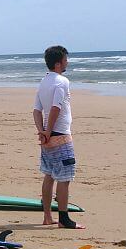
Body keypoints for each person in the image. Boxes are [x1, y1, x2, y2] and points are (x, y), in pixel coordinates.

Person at [33, 45, 83, 229]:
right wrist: (48, 131)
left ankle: (47, 216)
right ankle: (64, 219)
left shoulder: (44, 82)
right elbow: (56, 107)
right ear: (58, 63)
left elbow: (37, 110)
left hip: (47, 136)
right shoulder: (62, 81)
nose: (67, 62)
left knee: (49, 175)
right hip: (60, 135)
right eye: (65, 60)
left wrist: (42, 131)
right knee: (64, 178)